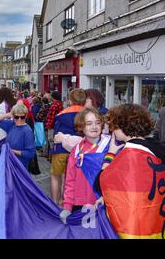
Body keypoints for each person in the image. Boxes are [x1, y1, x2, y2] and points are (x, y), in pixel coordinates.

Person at [95, 104, 165, 238]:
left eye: (113, 126)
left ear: (121, 127)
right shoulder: (155, 147)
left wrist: (111, 153)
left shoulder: (130, 154)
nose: (112, 130)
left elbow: (101, 182)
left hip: (135, 227)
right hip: (156, 222)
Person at [59, 108, 111, 224]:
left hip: (103, 204)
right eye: (89, 123)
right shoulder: (77, 149)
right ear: (81, 127)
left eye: (98, 123)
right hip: (80, 204)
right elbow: (70, 180)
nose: (94, 127)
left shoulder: (110, 147)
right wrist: (67, 206)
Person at [50, 89, 86, 206]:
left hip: (61, 148)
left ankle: (55, 202)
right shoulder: (87, 114)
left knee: (56, 175)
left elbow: (56, 131)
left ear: (70, 101)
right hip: (79, 148)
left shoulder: (62, 114)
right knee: (69, 176)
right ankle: (65, 201)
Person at [0, 103, 36, 170]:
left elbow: (30, 153)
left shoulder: (27, 131)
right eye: (17, 117)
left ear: (26, 116)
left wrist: (12, 151)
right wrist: (7, 115)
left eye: (22, 117)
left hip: (19, 166)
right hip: (9, 164)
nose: (19, 119)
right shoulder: (11, 124)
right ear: (13, 116)